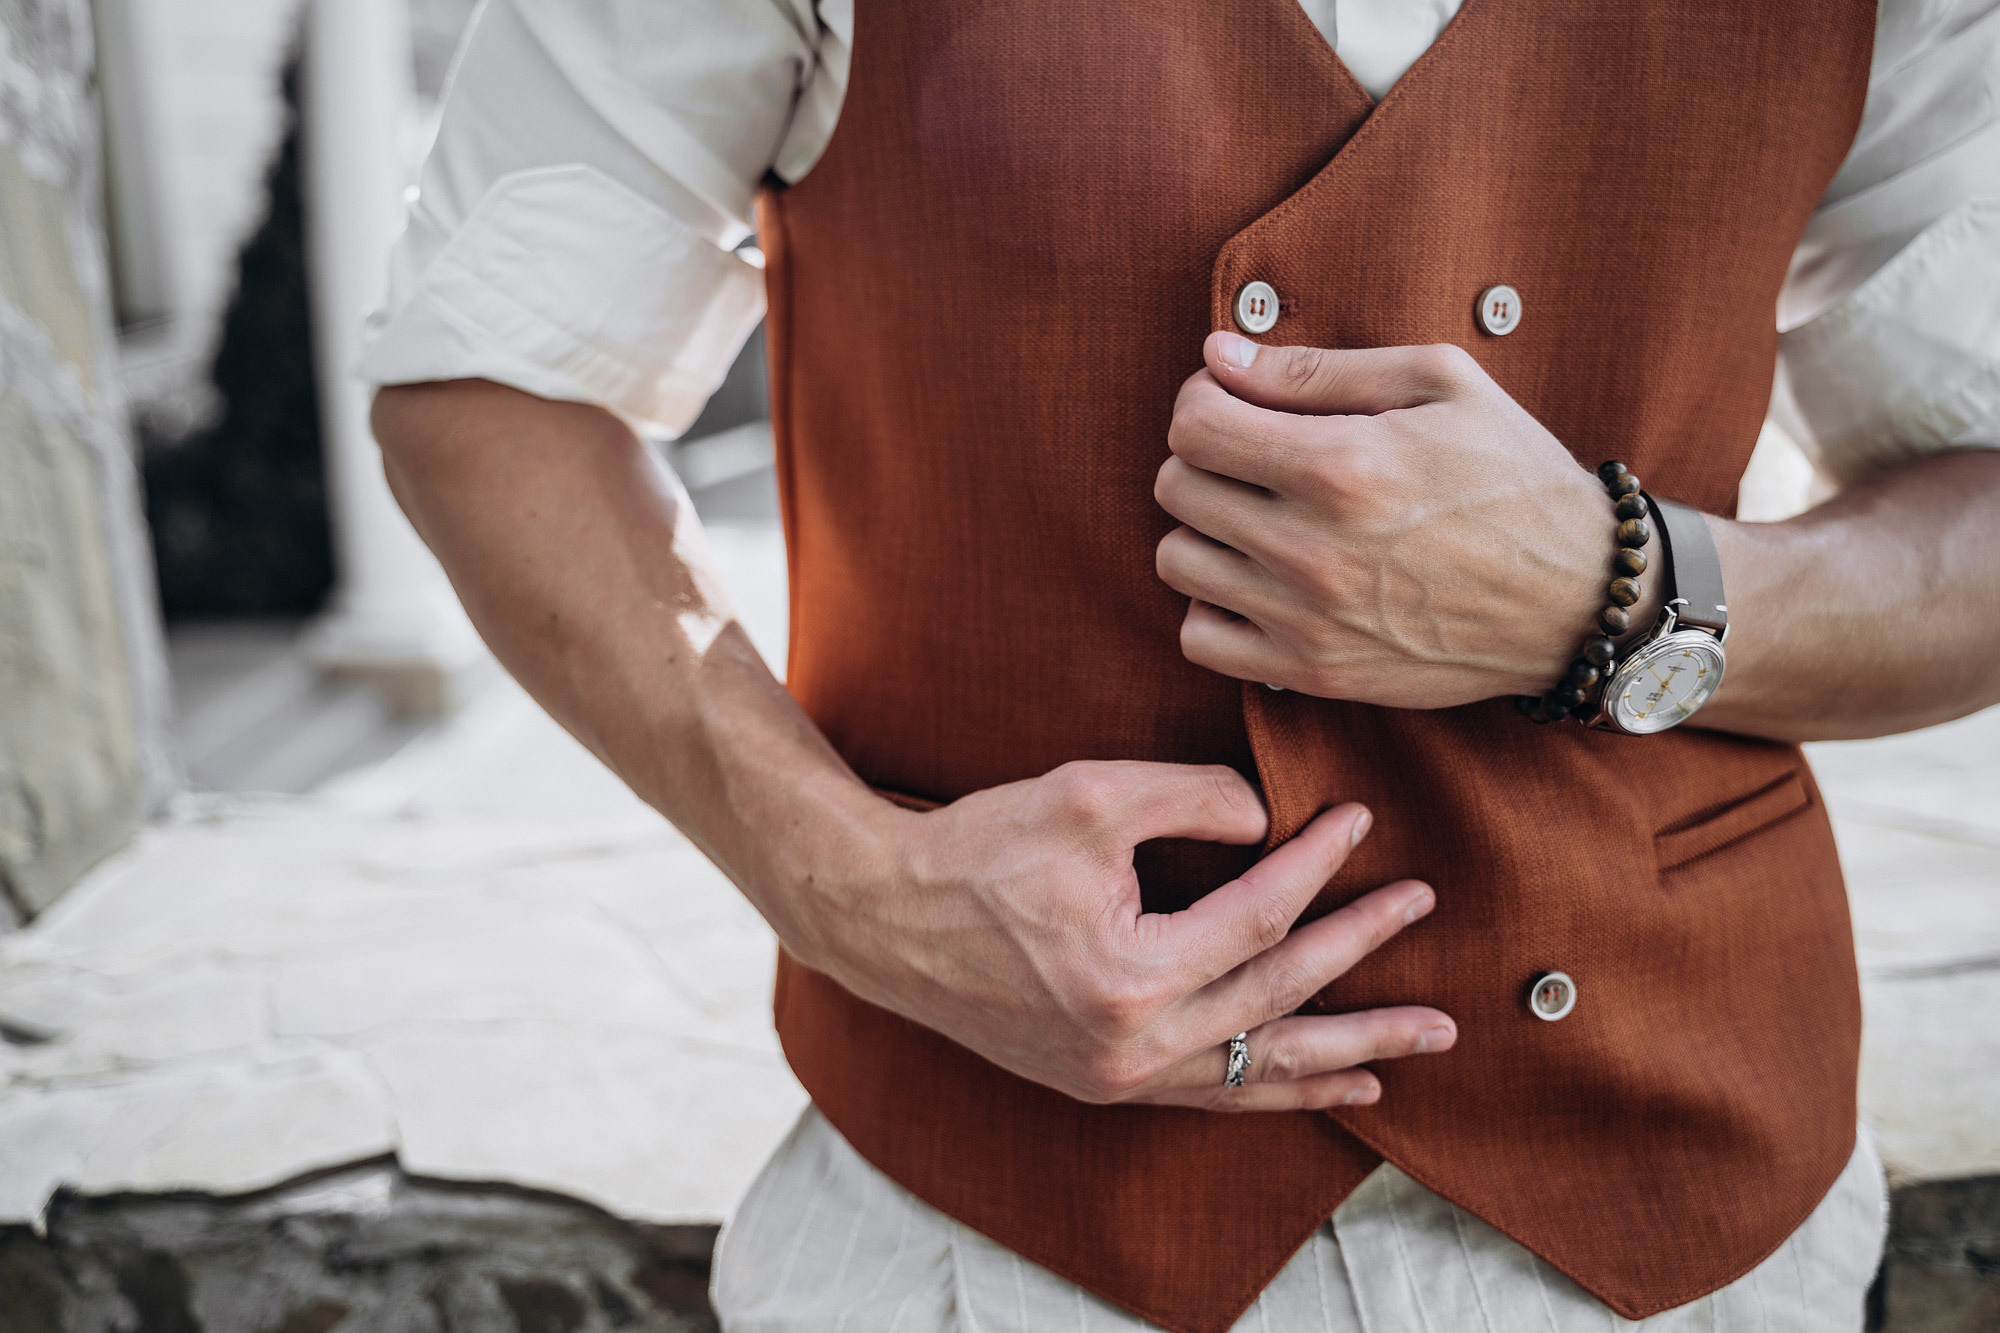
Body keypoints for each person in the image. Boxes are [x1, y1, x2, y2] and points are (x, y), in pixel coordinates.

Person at [362, 1, 2000, 1329]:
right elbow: (490, 390)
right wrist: (854, 885)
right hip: (982, 1247)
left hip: (1694, 1217)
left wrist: (1620, 590)